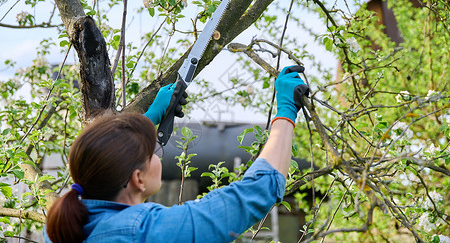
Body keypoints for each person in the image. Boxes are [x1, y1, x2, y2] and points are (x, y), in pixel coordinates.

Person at [44, 65, 308, 243]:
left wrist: (145, 123)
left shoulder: (60, 229)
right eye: (151, 152)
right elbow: (254, 192)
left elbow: (93, 168)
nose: (158, 154)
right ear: (138, 179)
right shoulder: (145, 231)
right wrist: (286, 111)